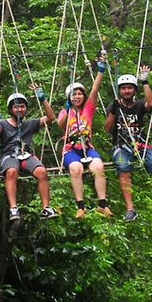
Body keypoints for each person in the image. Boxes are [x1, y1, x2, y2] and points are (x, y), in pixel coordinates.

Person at [105, 66, 152, 221]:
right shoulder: (114, 106)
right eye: (124, 89)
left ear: (134, 90)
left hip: (141, 144)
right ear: (119, 91)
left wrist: (145, 82)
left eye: (130, 88)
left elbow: (151, 104)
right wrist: (113, 111)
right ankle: (130, 209)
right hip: (121, 146)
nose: (127, 91)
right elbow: (107, 129)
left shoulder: (139, 105)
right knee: (123, 168)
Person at [0, 83, 59, 221]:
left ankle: (46, 208)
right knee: (12, 171)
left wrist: (43, 99)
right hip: (8, 156)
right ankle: (13, 208)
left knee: (42, 172)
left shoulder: (29, 124)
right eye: (16, 107)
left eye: (22, 106)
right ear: (11, 109)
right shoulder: (3, 123)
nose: (19, 109)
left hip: (25, 155)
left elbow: (50, 118)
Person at [57, 60, 111, 219]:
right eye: (74, 94)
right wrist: (68, 108)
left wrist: (100, 71)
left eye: (80, 93)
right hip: (71, 148)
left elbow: (95, 89)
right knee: (76, 169)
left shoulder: (88, 109)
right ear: (69, 97)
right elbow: (61, 124)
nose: (77, 96)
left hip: (87, 147)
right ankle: (80, 206)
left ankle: (103, 204)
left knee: (98, 168)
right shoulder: (65, 112)